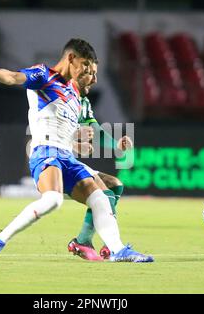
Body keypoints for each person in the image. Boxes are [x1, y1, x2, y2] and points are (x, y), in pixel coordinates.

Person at [0, 38, 153, 263]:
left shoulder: (75, 95)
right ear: (71, 59)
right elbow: (14, 77)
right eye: (86, 66)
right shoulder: (44, 76)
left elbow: (93, 128)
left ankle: (117, 249)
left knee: (101, 197)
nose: (90, 75)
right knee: (53, 201)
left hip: (67, 157)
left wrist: (114, 144)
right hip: (45, 152)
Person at [68, 65, 134, 261]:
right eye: (90, 75)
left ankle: (87, 241)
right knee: (104, 193)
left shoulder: (84, 102)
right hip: (55, 164)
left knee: (115, 185)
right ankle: (110, 244)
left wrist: (117, 146)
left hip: (70, 162)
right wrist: (74, 142)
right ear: (77, 75)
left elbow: (95, 132)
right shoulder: (62, 98)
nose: (95, 80)